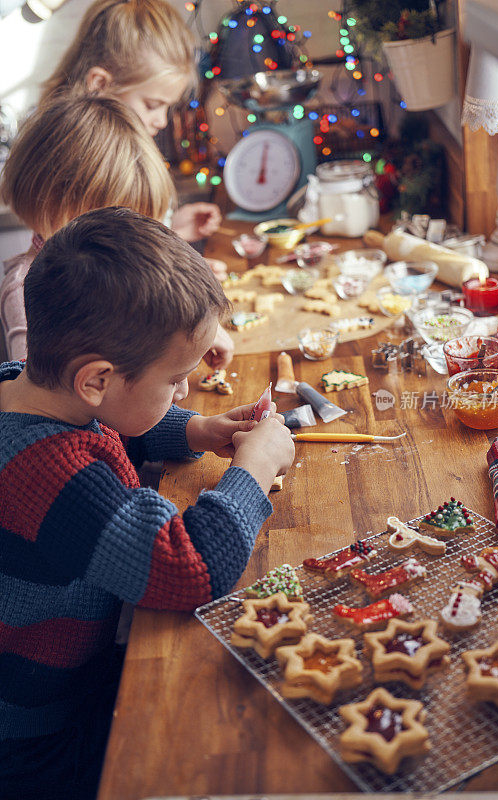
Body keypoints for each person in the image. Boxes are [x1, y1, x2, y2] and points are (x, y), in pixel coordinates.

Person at [0, 206, 295, 800]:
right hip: (41, 729)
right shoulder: (48, 473)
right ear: (98, 378)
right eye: (175, 379)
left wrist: (193, 429)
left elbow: (114, 426)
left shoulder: (28, 385)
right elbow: (182, 567)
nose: (184, 389)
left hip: (64, 681)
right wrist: (253, 469)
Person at [0, 94, 233, 366]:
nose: (131, 242)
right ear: (55, 204)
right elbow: (41, 400)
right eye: (122, 230)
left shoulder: (103, 260)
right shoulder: (25, 290)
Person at [40, 0, 228, 280]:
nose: (162, 121)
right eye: (152, 104)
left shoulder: (124, 147)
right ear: (101, 85)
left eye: (168, 107)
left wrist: (172, 231)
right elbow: (97, 276)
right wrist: (175, 275)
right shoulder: (84, 170)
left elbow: (121, 245)